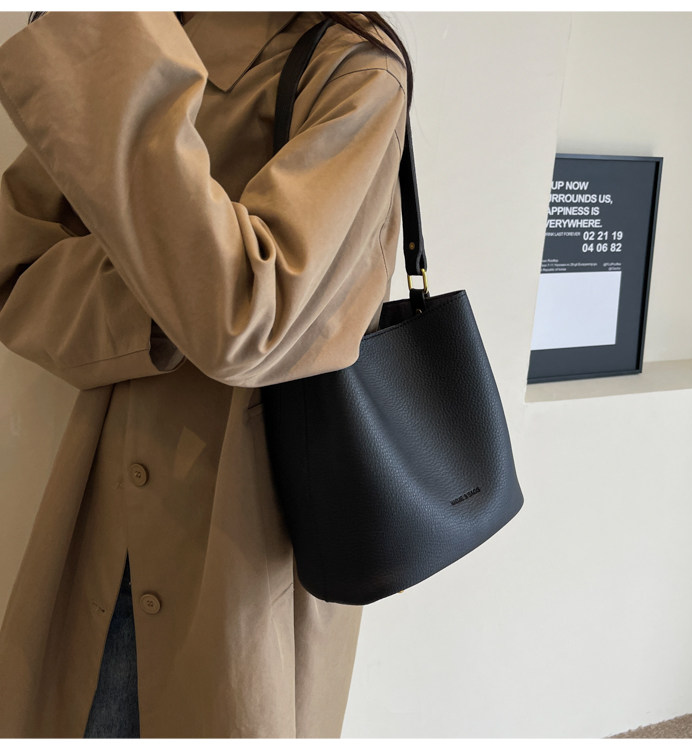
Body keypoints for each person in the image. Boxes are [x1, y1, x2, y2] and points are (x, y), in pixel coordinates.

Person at [0, 10, 412, 738]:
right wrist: (171, 295)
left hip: (250, 536)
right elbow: (15, 268)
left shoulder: (353, 73)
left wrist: (184, 286)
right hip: (102, 512)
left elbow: (246, 317)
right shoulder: (136, 37)